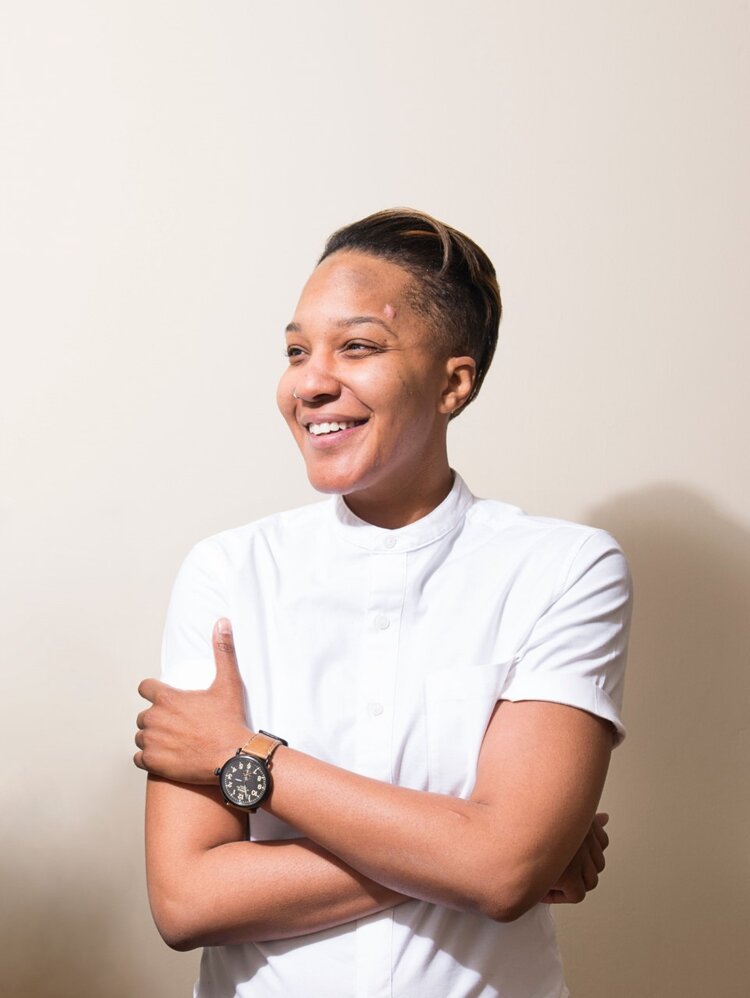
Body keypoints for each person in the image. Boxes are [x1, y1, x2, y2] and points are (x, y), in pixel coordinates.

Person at [134, 208, 631, 998]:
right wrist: (477, 852)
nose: (311, 380)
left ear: (453, 381)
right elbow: (187, 900)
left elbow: (503, 869)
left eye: (357, 346)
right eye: (297, 350)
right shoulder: (228, 571)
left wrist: (245, 759)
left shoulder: (564, 568)